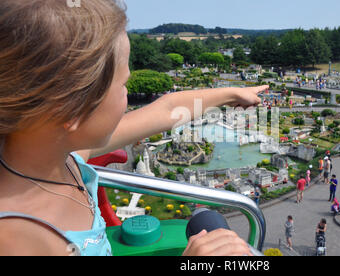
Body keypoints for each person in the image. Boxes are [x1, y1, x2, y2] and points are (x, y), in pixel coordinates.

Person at [0, 0, 268, 256]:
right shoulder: (19, 239)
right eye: (123, 85)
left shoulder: (58, 154)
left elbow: (166, 110)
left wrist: (231, 93)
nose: (128, 93)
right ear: (73, 110)